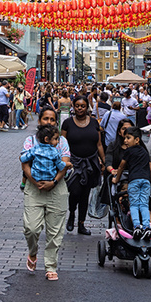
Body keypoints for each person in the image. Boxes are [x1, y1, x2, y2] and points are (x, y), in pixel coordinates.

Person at [21, 122, 70, 279]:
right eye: (45, 119)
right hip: (35, 188)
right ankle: (33, 252)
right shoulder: (32, 142)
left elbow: (62, 164)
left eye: (52, 119)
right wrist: (35, 182)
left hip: (56, 189)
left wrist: (53, 182)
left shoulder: (61, 142)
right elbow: (24, 162)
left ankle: (51, 266)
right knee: (31, 228)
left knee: (55, 230)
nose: (49, 121)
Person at [61, 95, 105, 235]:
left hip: (90, 163)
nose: (80, 108)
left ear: (87, 107)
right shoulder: (67, 123)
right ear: (73, 106)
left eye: (83, 106)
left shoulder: (93, 123)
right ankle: (72, 213)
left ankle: (81, 224)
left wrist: (104, 161)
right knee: (75, 192)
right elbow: (62, 143)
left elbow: (98, 144)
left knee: (85, 194)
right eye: (77, 106)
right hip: (73, 163)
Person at [110, 120, 151, 239]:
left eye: (128, 138)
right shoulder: (144, 152)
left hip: (134, 181)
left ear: (137, 140)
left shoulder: (129, 151)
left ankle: (137, 227)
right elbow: (150, 168)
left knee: (134, 205)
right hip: (145, 181)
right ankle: (147, 226)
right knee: (144, 205)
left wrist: (116, 179)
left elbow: (121, 166)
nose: (125, 141)